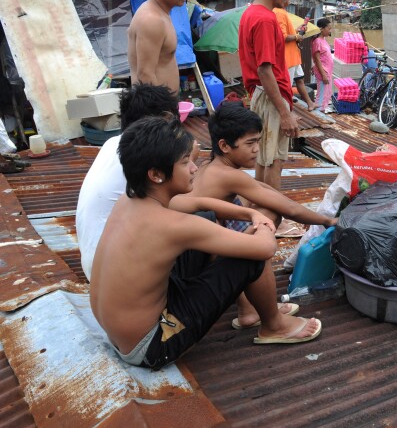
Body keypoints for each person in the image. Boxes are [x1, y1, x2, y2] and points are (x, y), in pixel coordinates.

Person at [90, 117, 321, 370]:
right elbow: (265, 249)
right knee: (250, 256)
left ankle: (251, 310)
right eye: (185, 162)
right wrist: (263, 223)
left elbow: (201, 204)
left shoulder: (131, 198)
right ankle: (274, 326)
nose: (193, 169)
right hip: (150, 345)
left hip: (119, 332)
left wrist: (249, 214)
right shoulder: (173, 226)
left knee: (208, 218)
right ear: (156, 174)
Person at [187, 102, 337, 328]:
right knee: (266, 220)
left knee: (258, 207)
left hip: (193, 256)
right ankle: (250, 309)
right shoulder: (228, 176)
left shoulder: (211, 166)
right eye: (250, 143)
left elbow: (267, 192)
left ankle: (248, 305)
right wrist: (327, 220)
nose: (257, 149)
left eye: (257, 141)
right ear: (224, 145)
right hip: (202, 264)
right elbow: (289, 209)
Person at [77, 84, 184, 281]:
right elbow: (182, 202)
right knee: (208, 221)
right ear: (166, 118)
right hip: (118, 271)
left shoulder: (112, 143)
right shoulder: (148, 155)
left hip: (96, 264)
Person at [239, 0, 301, 192]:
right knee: (274, 159)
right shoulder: (265, 19)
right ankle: (275, 217)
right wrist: (285, 113)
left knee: (264, 157)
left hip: (260, 94)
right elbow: (265, 70)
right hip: (270, 95)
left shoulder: (249, 13)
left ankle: (262, 208)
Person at [127, 0, 189, 95]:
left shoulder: (161, 14)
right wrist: (163, 113)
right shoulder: (151, 20)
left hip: (161, 108)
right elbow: (145, 76)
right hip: (155, 110)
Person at [273, 0, 317, 111]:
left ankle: (310, 103)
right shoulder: (279, 13)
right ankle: (288, 112)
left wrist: (296, 30)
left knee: (299, 80)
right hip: (287, 58)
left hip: (293, 57)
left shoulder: (282, 12)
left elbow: (287, 32)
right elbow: (282, 37)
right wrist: (297, 36)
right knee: (286, 87)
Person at [311, 18, 334, 113]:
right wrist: (323, 74)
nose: (330, 31)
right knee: (321, 95)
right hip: (323, 72)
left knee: (326, 94)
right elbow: (316, 58)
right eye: (328, 28)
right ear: (321, 29)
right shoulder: (317, 41)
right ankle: (318, 115)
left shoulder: (323, 40)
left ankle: (322, 111)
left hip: (327, 71)